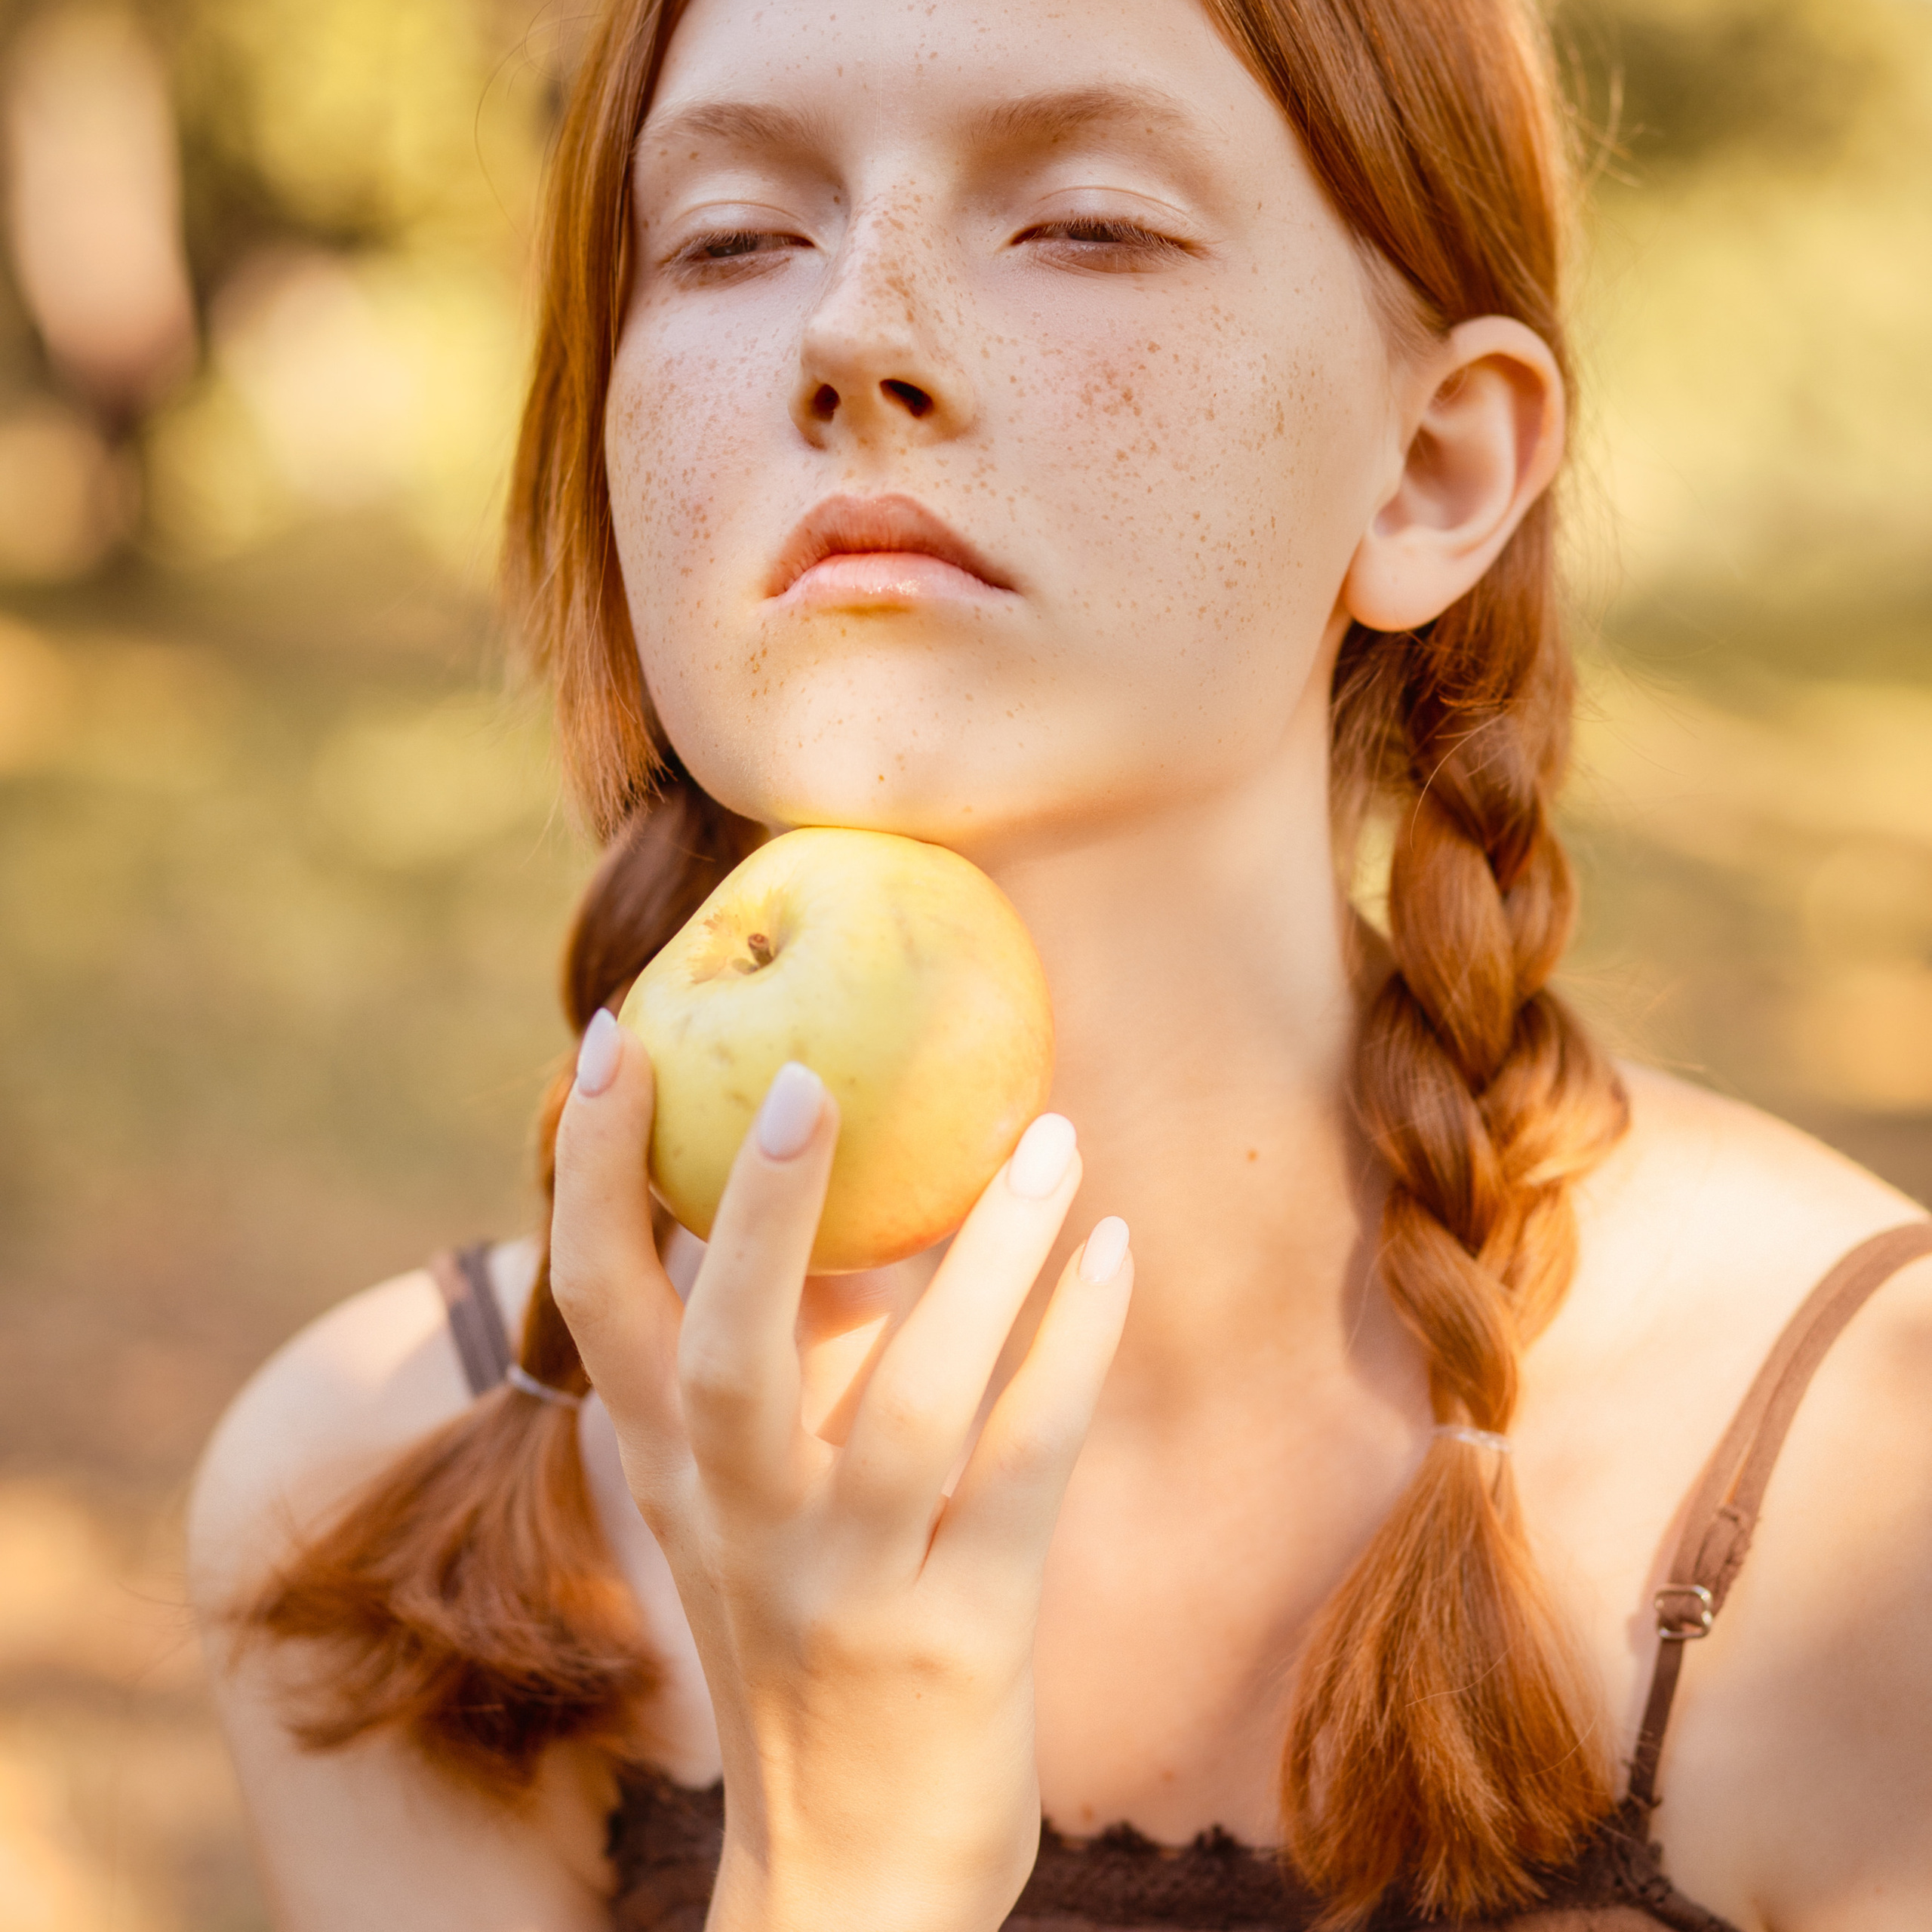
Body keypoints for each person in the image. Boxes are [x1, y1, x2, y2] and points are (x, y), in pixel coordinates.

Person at [186, 0, 1932, 1927]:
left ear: (1431, 466)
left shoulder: (1864, 1506)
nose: (855, 331)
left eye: (1086, 222)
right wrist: (841, 1873)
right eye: (732, 238)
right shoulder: (374, 1528)